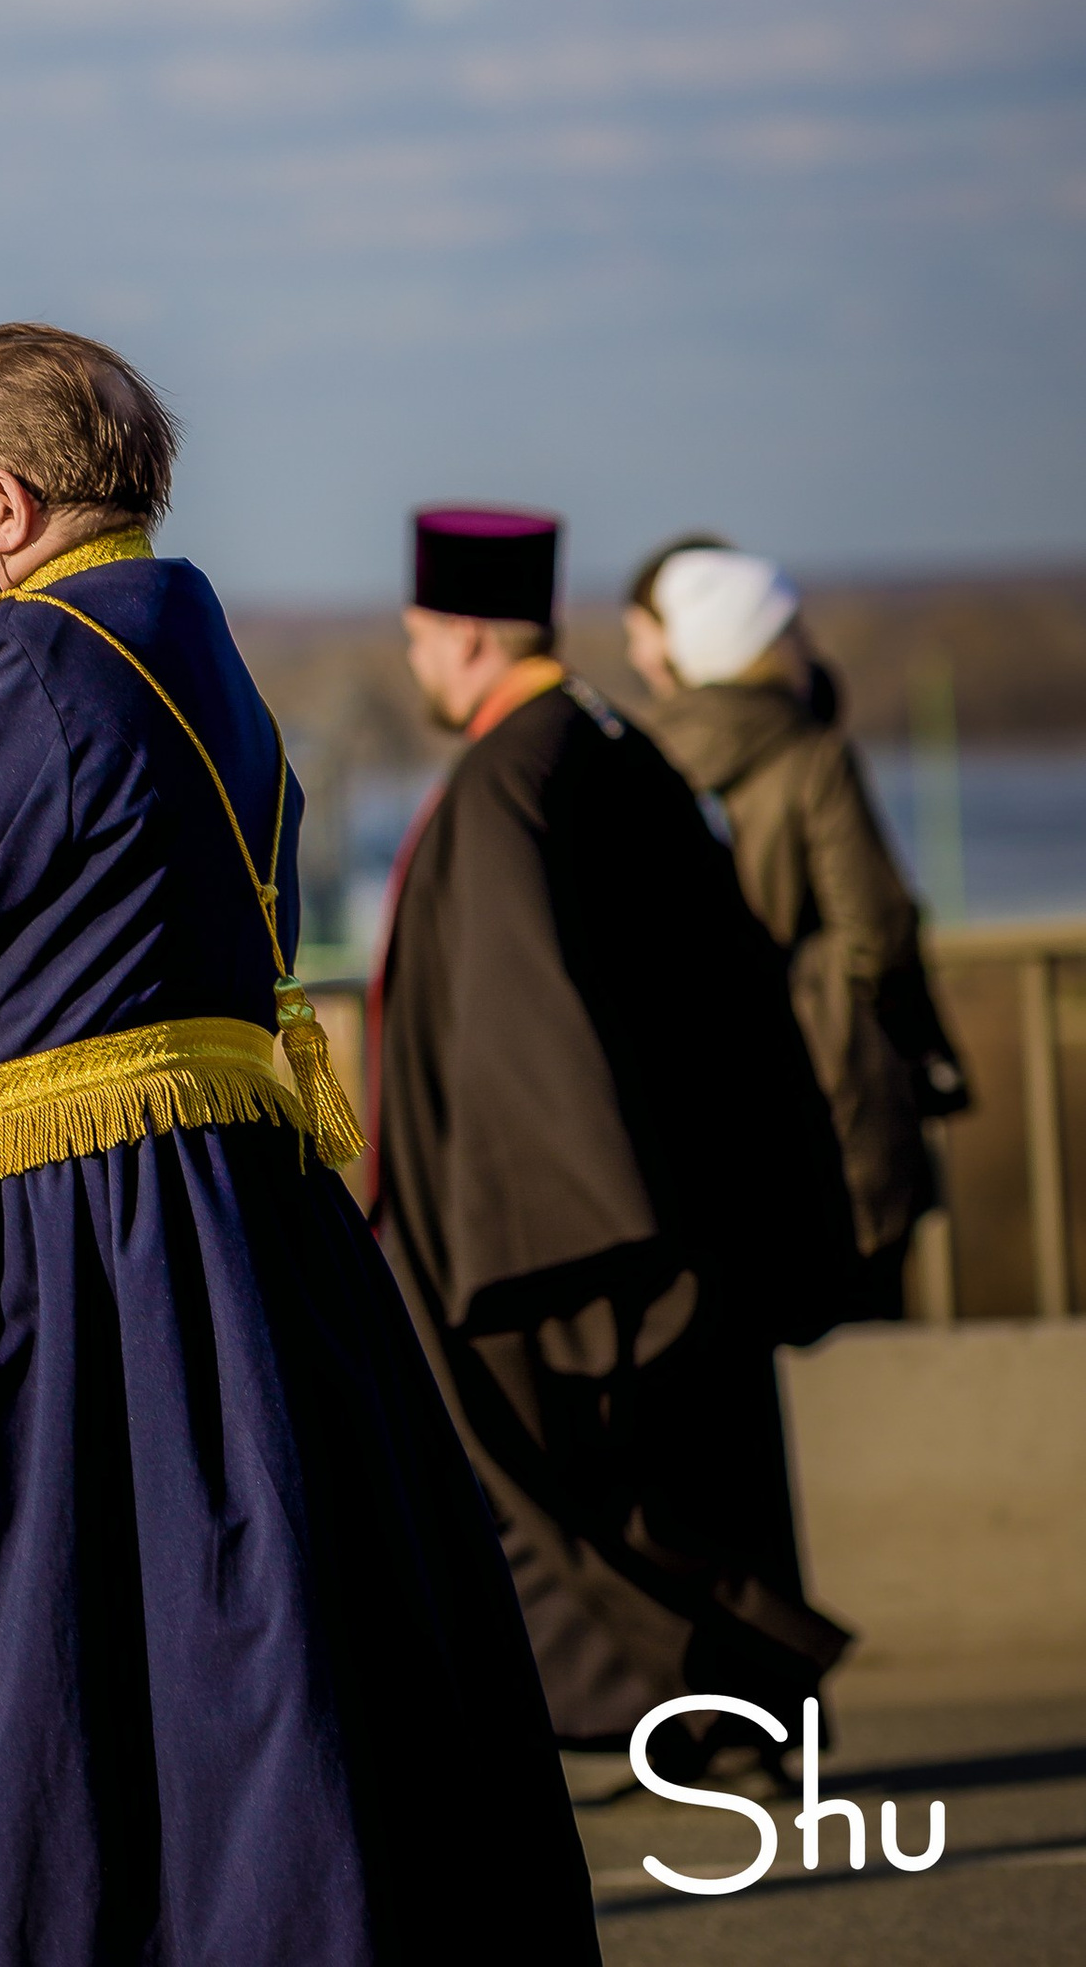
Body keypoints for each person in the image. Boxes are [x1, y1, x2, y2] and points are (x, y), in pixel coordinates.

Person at [0, 328, 595, 1967]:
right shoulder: (193, 664)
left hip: (35, 1281)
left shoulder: (34, 666)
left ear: (11, 502)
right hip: (216, 1249)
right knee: (220, 1677)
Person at [372, 506, 859, 1765]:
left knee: (565, 1499)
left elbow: (520, 1027)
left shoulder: (506, 778)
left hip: (553, 1219)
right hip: (660, 1198)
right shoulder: (602, 742)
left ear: (470, 638)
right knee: (672, 1486)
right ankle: (734, 1716)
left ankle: (710, 1705)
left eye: (424, 636)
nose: (414, 659)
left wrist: (559, 1239)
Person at [626, 541, 969, 1318]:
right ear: (758, 646)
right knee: (869, 1355)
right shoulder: (814, 759)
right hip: (838, 1093)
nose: (806, 647)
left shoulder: (642, 760)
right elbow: (876, 935)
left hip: (714, 1118)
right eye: (789, 631)